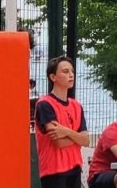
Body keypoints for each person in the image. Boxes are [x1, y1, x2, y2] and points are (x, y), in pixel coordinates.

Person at [34, 56, 90, 188]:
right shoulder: (45, 104)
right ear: (53, 77)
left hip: (75, 168)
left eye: (72, 71)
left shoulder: (76, 106)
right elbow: (59, 142)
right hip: (54, 171)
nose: (71, 75)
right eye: (65, 72)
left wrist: (65, 131)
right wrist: (78, 138)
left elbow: (86, 141)